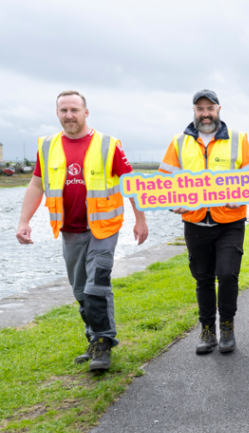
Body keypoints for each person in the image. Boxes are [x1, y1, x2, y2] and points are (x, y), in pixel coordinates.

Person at [16, 90, 149, 372]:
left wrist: (140, 220)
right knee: (80, 290)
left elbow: (132, 184)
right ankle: (94, 338)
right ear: (57, 113)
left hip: (103, 228)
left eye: (74, 110)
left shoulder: (107, 144)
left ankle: (103, 343)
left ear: (86, 112)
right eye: (64, 110)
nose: (69, 115)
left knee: (96, 285)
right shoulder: (47, 146)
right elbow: (37, 185)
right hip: (70, 231)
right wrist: (23, 222)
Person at [159, 89, 249, 356]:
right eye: (200, 109)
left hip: (230, 222)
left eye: (210, 108)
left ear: (218, 110)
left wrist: (242, 195)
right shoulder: (179, 142)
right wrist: (172, 203)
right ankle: (207, 330)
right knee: (202, 279)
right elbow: (164, 181)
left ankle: (227, 327)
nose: (205, 114)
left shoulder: (238, 139)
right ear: (194, 111)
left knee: (227, 274)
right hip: (195, 222)